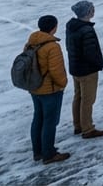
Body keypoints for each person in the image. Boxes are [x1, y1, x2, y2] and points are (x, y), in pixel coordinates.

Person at [25, 15, 69, 164]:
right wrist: (63, 83)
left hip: (34, 88)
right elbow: (56, 71)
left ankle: (37, 151)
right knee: (50, 121)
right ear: (54, 27)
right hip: (50, 90)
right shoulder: (52, 46)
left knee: (38, 118)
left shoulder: (31, 43)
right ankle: (49, 154)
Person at [64, 0, 103, 139]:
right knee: (88, 100)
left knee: (78, 97)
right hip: (87, 70)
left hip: (75, 67)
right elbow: (90, 52)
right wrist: (98, 63)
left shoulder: (72, 27)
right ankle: (87, 129)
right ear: (88, 12)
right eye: (92, 9)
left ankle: (78, 125)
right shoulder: (86, 29)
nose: (94, 11)